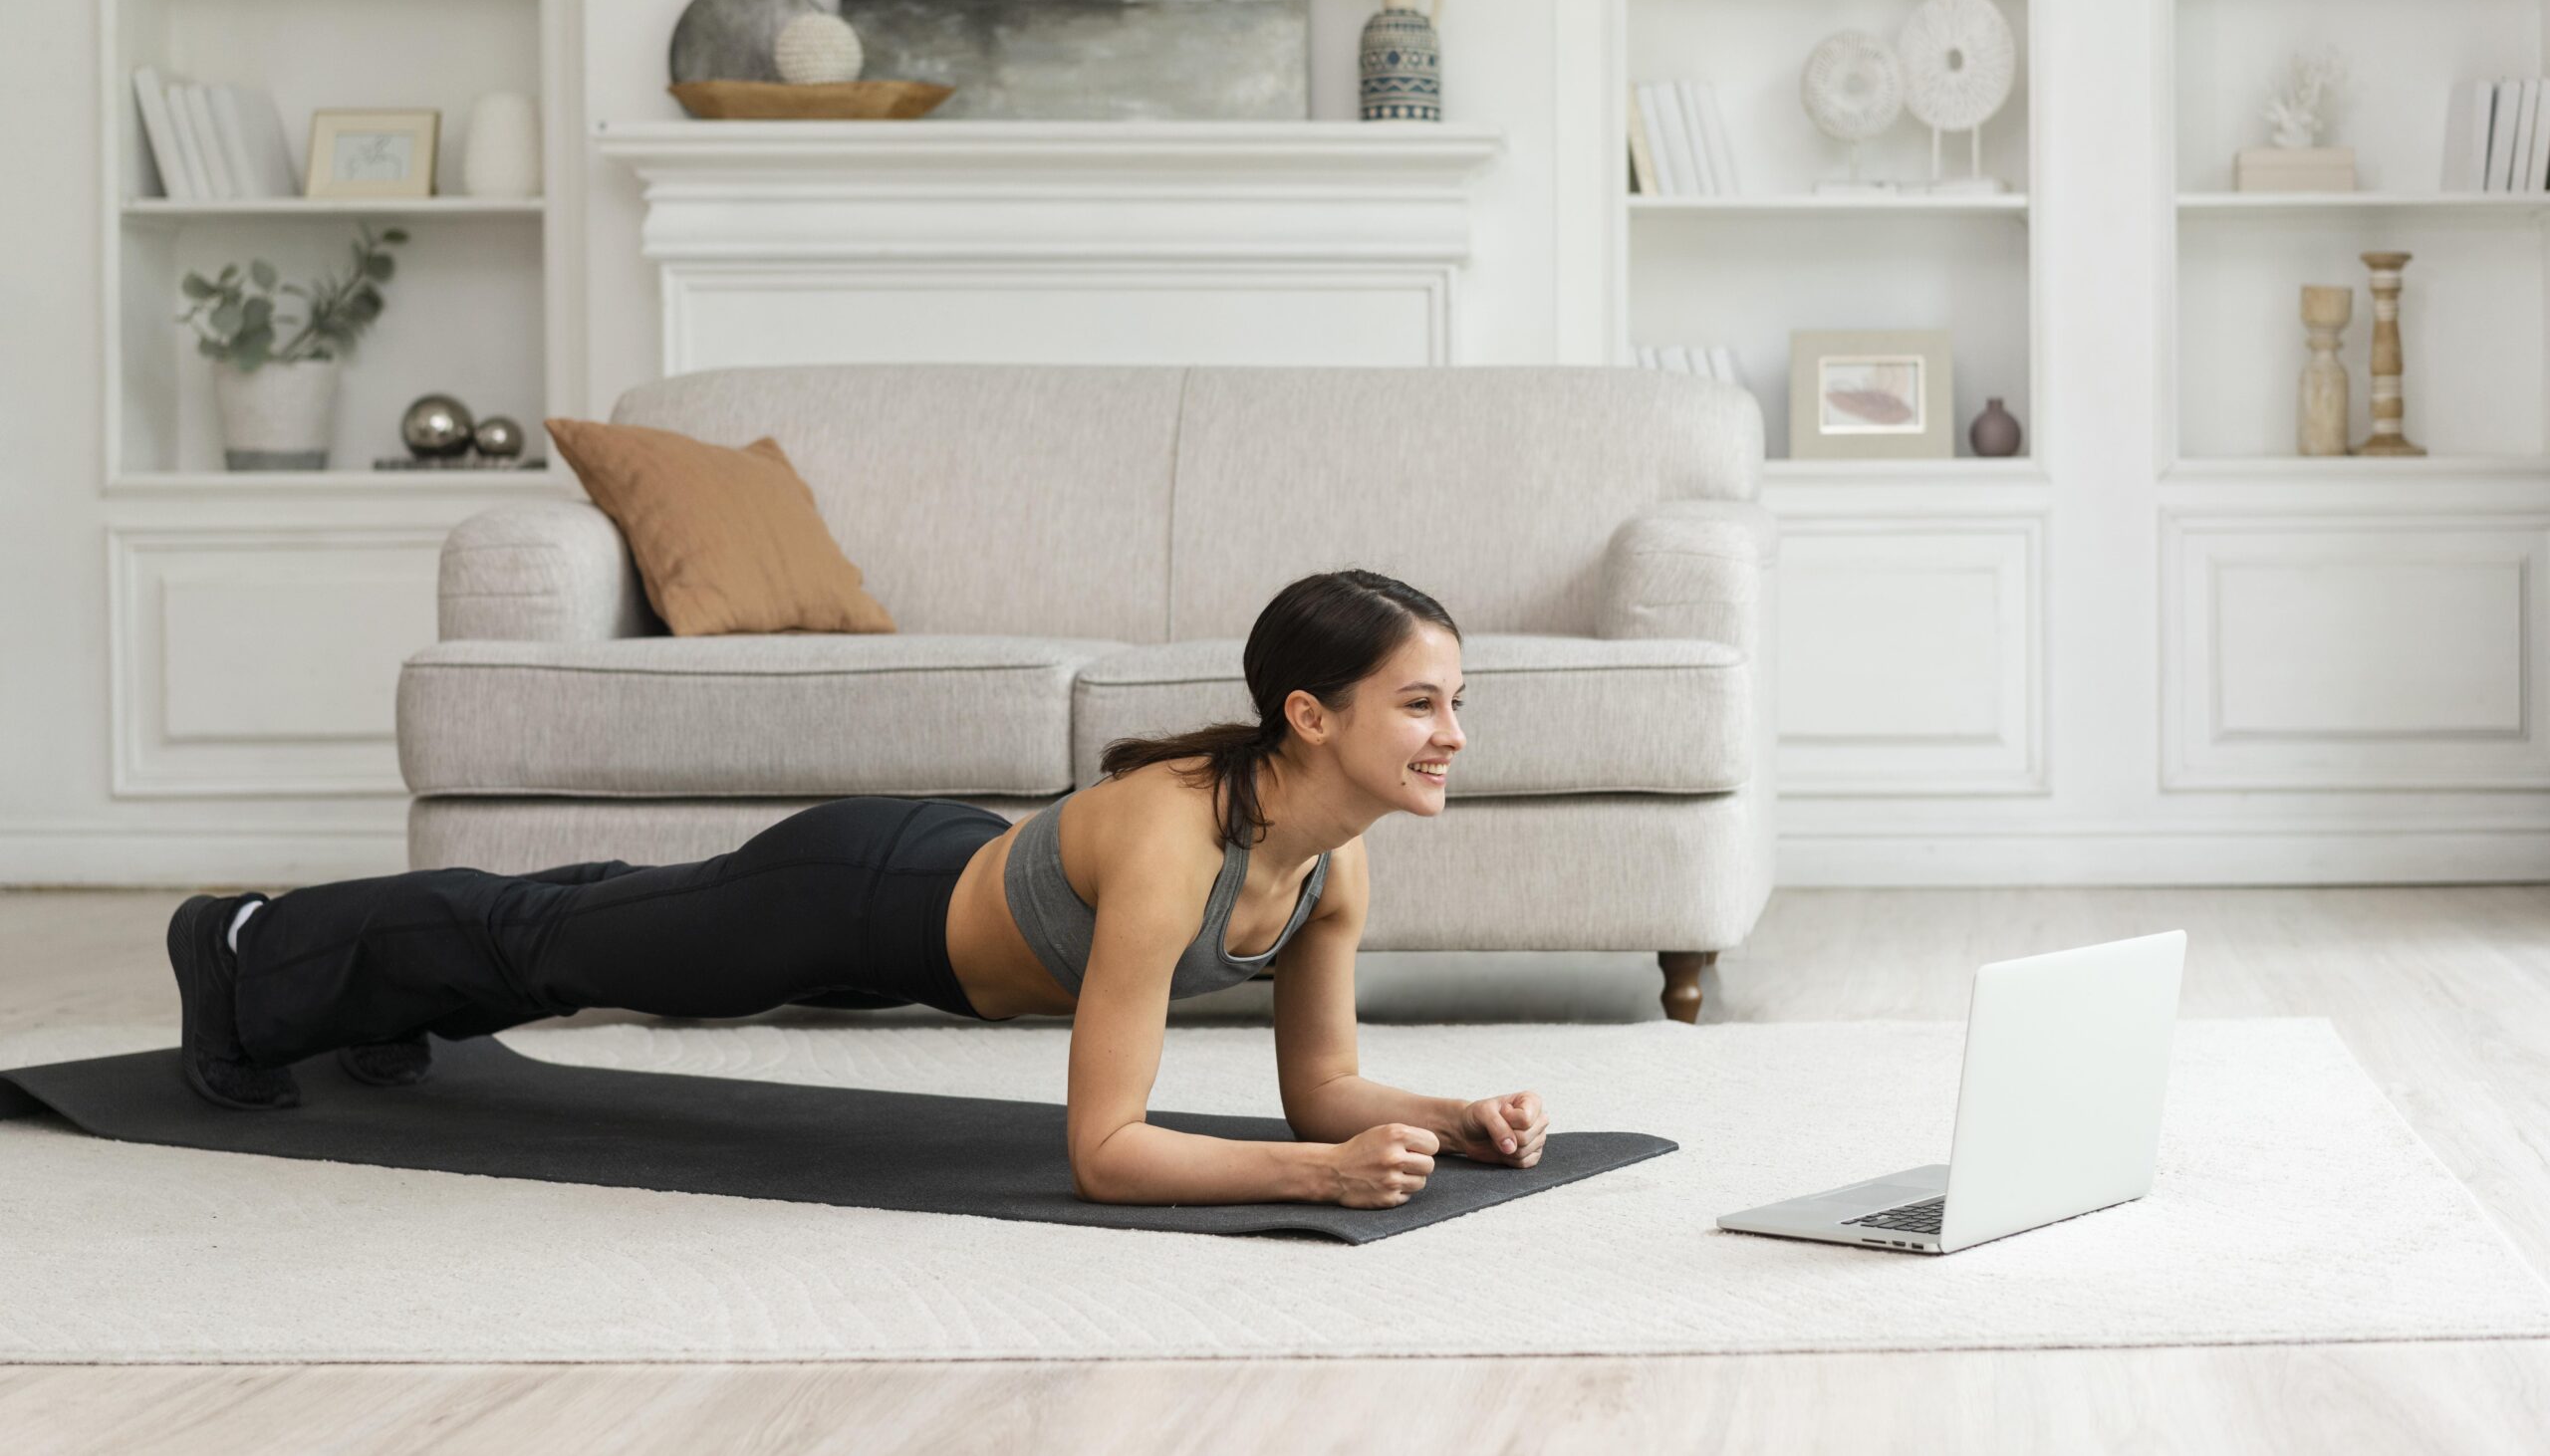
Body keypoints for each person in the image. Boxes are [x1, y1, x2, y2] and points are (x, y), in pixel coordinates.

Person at [165, 569, 1548, 1210]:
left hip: (944, 878)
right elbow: (1106, 1151)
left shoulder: (1330, 862)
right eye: (1420, 702)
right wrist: (1319, 1178)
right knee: (571, 944)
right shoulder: (1178, 840)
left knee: (596, 921)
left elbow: (1327, 1089)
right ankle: (240, 946)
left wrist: (1450, 1118)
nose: (1452, 734)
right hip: (854, 894)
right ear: (1310, 715)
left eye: (1456, 702)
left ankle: (377, 992)